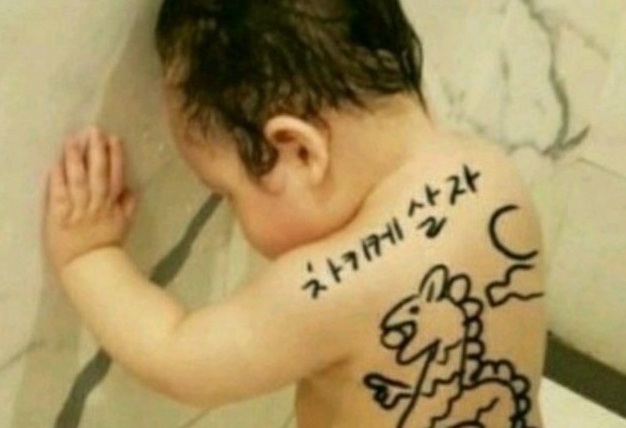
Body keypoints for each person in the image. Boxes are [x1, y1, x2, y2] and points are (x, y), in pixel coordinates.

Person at [43, 0, 547, 427]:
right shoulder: (492, 174)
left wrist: (89, 256)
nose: (232, 222)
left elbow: (177, 354)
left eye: (227, 193)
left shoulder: (327, 293)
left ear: (300, 151)